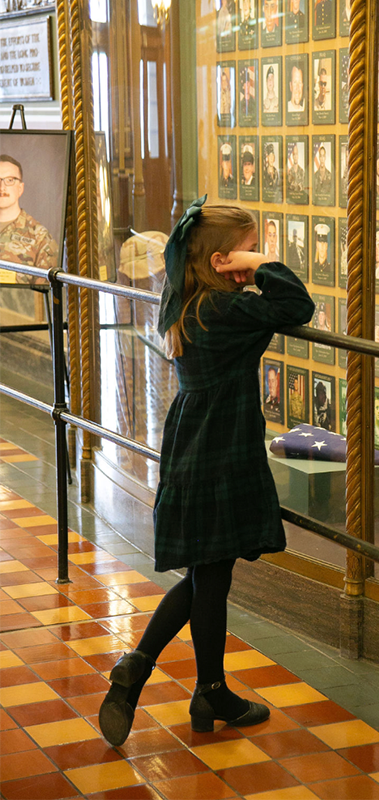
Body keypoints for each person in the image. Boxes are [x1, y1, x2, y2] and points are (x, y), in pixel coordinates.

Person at [98, 197, 314, 747]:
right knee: (210, 577)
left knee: (204, 575)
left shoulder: (186, 299)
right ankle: (198, 685)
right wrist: (265, 265)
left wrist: (240, 263)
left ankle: (162, 674)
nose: (255, 255)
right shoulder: (227, 310)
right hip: (223, 447)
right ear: (221, 260)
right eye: (249, 246)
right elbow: (297, 304)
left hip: (193, 439)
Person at [0, 154, 58, 283]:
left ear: (20, 188)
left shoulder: (39, 237)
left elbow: (43, 295)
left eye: (9, 180)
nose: (2, 187)